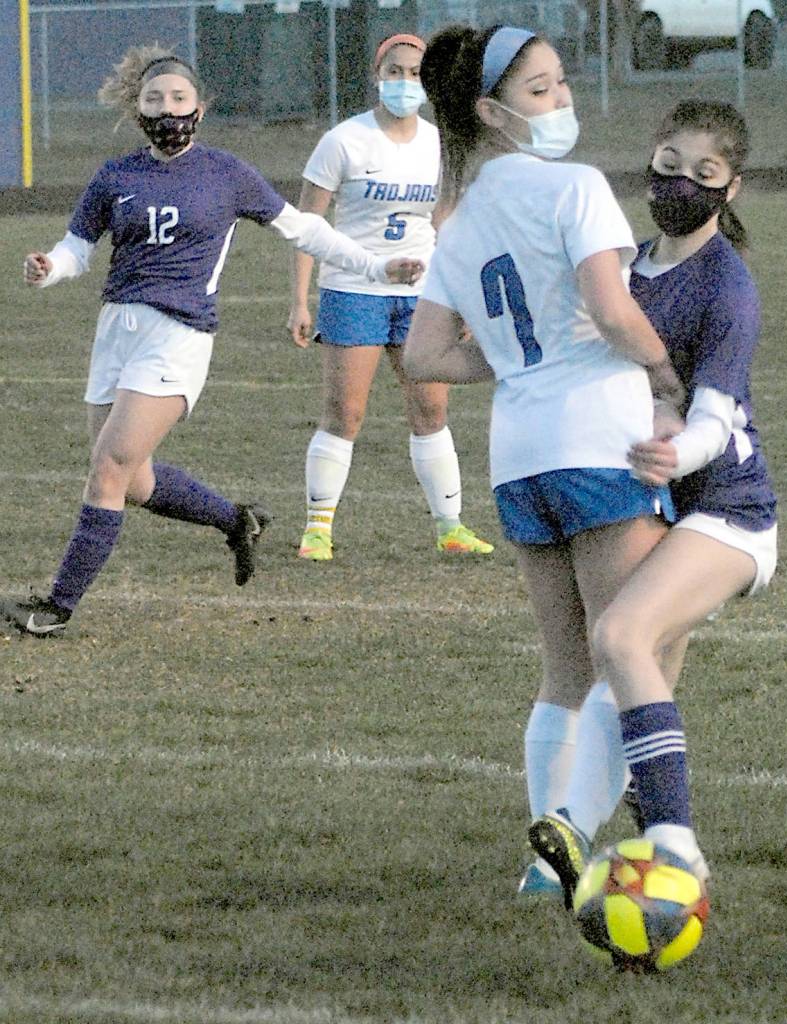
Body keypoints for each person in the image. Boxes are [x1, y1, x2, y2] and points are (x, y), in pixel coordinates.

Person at [401, 25, 689, 898]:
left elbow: (420, 356)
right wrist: (665, 368)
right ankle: (575, 831)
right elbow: (611, 312)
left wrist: (511, 360)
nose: (560, 100)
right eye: (539, 90)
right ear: (489, 110)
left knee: (566, 661)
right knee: (640, 649)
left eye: (560, 83)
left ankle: (543, 864)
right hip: (598, 443)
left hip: (517, 456)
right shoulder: (574, 187)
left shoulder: (459, 220)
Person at [1, 45, 422, 638]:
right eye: (154, 99)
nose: (167, 108)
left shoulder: (226, 173)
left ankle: (56, 607)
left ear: (200, 107)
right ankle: (236, 521)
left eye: (178, 98)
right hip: (116, 331)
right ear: (137, 109)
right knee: (136, 480)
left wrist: (377, 269)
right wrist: (51, 266)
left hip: (177, 334)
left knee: (108, 471)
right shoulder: (116, 175)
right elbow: (77, 248)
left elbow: (305, 230)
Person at [527, 100, 779, 905]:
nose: (677, 182)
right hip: (650, 505)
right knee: (631, 664)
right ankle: (566, 841)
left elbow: (715, 417)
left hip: (728, 511)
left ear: (730, 188)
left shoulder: (726, 285)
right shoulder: (622, 270)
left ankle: (675, 847)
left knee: (623, 635)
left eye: (702, 174)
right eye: (666, 162)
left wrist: (675, 448)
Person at [287, 32, 493, 562]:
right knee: (346, 413)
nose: (405, 83)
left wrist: (463, 295)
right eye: (394, 72)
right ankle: (317, 529)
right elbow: (306, 224)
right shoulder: (343, 141)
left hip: (422, 296)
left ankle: (451, 527)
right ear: (378, 76)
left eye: (415, 73)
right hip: (354, 290)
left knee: (431, 407)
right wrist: (300, 299)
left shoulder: (440, 141)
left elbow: (447, 223)